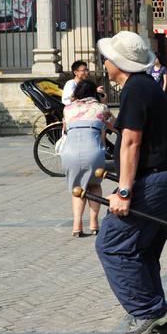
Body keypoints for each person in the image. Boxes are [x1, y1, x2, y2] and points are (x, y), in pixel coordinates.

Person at [95, 30, 167, 334]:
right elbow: (133, 136)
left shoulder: (135, 88)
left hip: (155, 182)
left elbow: (132, 143)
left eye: (107, 58)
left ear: (117, 62)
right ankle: (159, 315)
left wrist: (124, 191)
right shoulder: (144, 87)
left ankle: (151, 313)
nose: (104, 63)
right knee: (141, 251)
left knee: (112, 245)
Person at [60, 80, 115, 237]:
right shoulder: (101, 108)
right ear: (95, 94)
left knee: (77, 187)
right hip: (93, 152)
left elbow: (65, 128)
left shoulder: (67, 109)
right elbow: (117, 127)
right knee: (94, 185)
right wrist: (104, 103)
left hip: (69, 152)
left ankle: (77, 225)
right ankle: (94, 223)